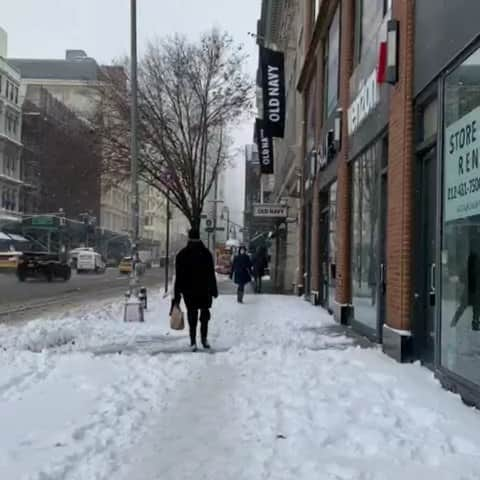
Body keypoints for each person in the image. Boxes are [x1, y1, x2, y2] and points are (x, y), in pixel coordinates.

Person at [173, 228, 218, 351]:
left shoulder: (182, 255)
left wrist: (177, 295)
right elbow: (211, 274)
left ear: (189, 237)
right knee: (204, 316)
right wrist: (214, 290)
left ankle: (193, 341)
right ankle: (204, 339)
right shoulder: (206, 254)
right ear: (199, 237)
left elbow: (179, 277)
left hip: (189, 292)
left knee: (192, 316)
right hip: (204, 290)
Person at [451, 251, 480, 331]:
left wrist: (458, 278)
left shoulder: (468, 269)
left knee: (462, 308)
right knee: (476, 310)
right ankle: (475, 325)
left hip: (468, 293)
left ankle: (453, 322)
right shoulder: (475, 269)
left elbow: (462, 277)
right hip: (475, 294)